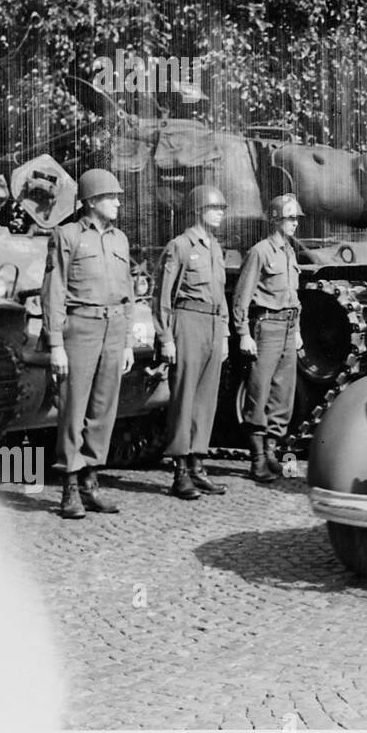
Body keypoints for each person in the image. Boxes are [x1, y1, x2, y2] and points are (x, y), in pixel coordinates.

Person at [43, 168, 134, 519]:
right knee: (73, 409)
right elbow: (54, 291)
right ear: (92, 201)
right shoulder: (66, 235)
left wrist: (126, 342)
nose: (117, 203)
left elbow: (127, 293)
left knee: (103, 410)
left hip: (113, 329)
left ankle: (91, 482)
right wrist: (55, 344)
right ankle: (68, 486)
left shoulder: (119, 240)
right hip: (80, 328)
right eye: (111, 197)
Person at [154, 184, 230, 500]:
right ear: (199, 210)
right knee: (184, 398)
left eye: (223, 209)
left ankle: (198, 466)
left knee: (206, 400)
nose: (221, 214)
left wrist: (224, 334)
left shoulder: (215, 248)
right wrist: (166, 338)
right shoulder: (180, 246)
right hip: (188, 322)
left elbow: (221, 295)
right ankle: (180, 472)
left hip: (213, 325)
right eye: (215, 208)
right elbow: (163, 297)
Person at [232, 193, 304, 483]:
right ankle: (257, 460)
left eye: (296, 218)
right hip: (266, 327)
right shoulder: (260, 252)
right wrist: (243, 333)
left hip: (287, 328)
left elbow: (293, 296)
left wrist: (297, 330)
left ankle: (272, 451)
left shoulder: (289, 252)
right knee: (258, 392)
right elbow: (242, 296)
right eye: (289, 218)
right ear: (275, 219)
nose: (294, 223)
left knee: (282, 394)